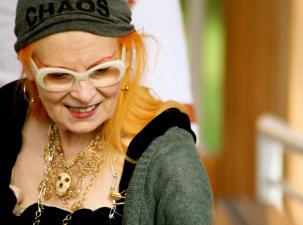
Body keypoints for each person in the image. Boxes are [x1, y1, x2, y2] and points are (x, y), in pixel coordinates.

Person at [0, 0, 213, 224]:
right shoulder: (8, 112)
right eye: (59, 76)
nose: (84, 94)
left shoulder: (170, 158)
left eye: (101, 71)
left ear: (126, 56)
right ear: (28, 66)